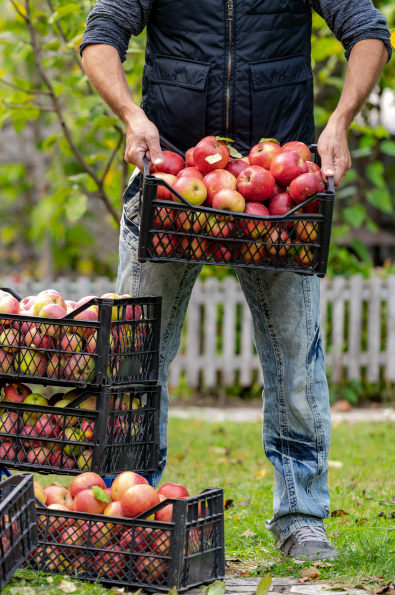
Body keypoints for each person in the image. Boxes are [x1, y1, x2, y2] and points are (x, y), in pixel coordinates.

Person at [79, 0, 390, 561]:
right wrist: (131, 115)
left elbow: (368, 30)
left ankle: (302, 517)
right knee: (135, 351)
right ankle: (128, 504)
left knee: (295, 355)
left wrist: (339, 120)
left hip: (276, 186)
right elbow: (101, 36)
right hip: (171, 181)